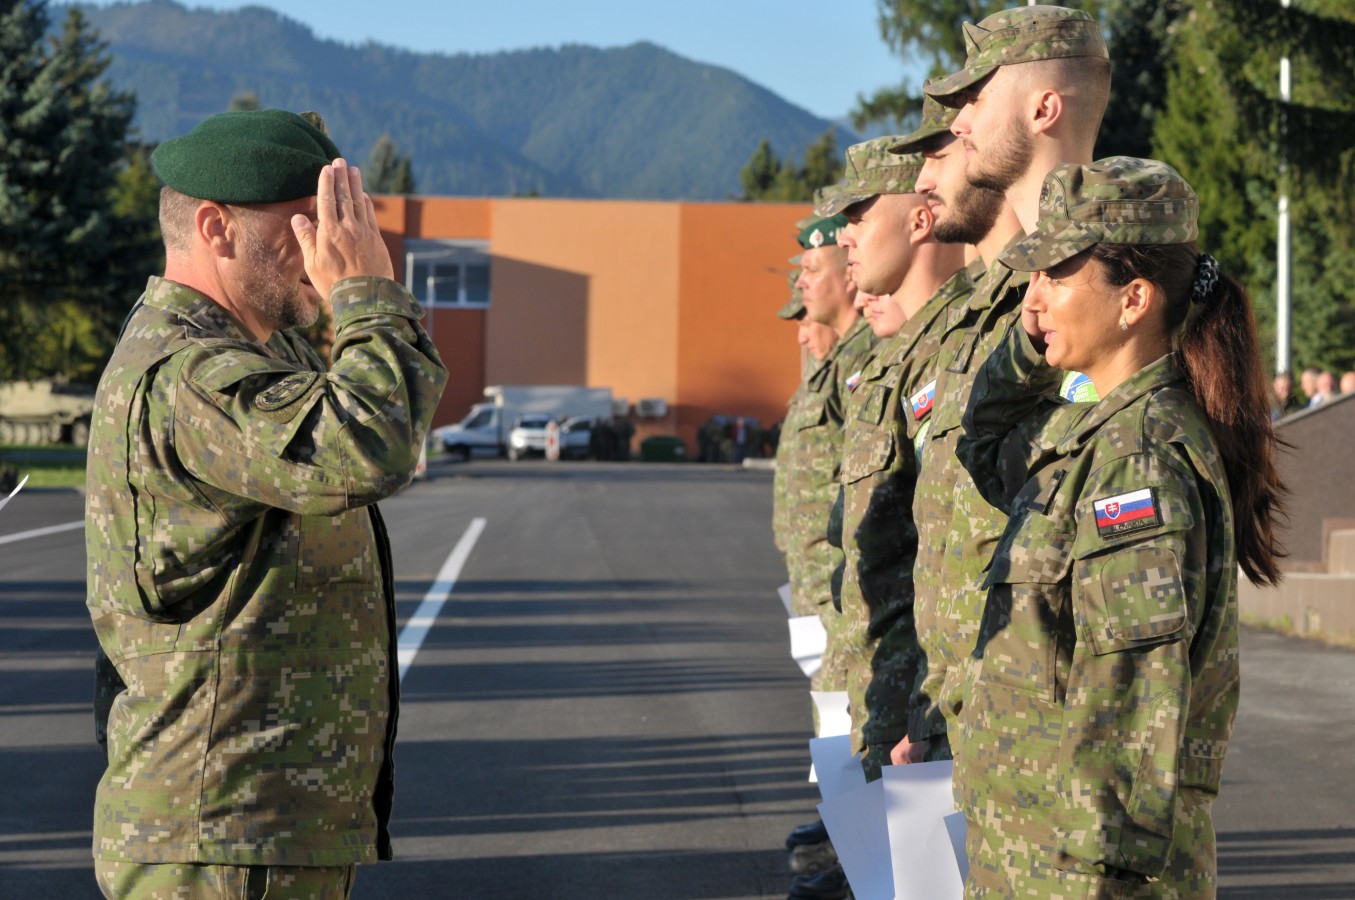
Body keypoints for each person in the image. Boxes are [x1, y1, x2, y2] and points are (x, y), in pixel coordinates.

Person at [85, 109, 448, 898]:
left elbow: (370, 413)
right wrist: (366, 293)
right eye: (306, 224)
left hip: (258, 829)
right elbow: (370, 442)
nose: (328, 248)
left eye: (338, 226)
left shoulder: (255, 351)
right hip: (220, 840)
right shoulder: (191, 376)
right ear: (216, 228)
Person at [955, 157, 1284, 896]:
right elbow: (986, 444)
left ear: (1133, 299)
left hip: (1076, 875)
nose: (1032, 298)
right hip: (1031, 859)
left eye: (1055, 275)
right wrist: (1029, 345)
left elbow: (1128, 704)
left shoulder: (1137, 460)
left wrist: (1093, 878)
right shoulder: (1099, 435)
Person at [899, 4, 1111, 767]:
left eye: (977, 99)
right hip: (979, 714)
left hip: (1048, 741)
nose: (958, 125)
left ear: (1042, 108)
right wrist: (936, 702)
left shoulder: (1105, 294)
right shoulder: (1008, 297)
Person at [813, 136, 969, 783]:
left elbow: (959, 555)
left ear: (919, 220)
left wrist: (928, 708)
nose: (845, 237)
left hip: (919, 698)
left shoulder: (955, 353)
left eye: (859, 216)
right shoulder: (902, 358)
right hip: (881, 685)